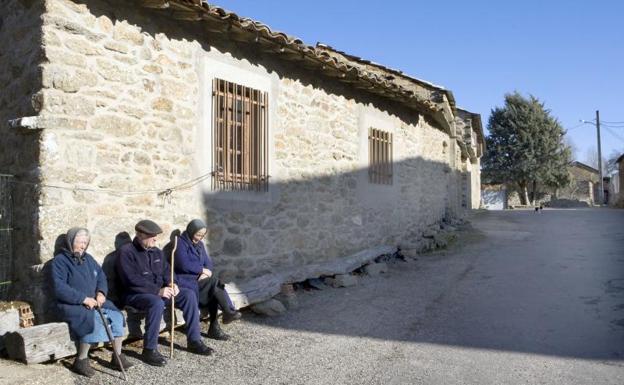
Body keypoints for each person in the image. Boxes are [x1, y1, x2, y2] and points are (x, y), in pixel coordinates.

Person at [115, 219, 212, 366]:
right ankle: (149, 349)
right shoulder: (126, 252)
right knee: (156, 302)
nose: (155, 239)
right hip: (135, 294)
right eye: (151, 236)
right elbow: (131, 280)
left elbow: (167, 271)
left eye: (156, 236)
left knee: (188, 294)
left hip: (160, 291)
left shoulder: (156, 252)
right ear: (140, 235)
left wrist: (172, 282)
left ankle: (194, 340)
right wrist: (157, 291)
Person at [50, 227, 132, 377]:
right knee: (91, 319)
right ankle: (81, 360)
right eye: (79, 242)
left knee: (117, 316)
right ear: (70, 241)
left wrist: (101, 293)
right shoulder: (60, 261)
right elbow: (59, 288)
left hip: (95, 301)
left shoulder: (89, 259)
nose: (83, 245)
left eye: (85, 242)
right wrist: (83, 299)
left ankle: (117, 355)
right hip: (72, 304)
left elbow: (101, 276)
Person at [171, 219, 242, 340]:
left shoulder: (200, 245)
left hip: (200, 282)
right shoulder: (180, 244)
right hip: (186, 283)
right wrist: (201, 270)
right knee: (213, 284)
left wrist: (207, 272)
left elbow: (208, 263)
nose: (199, 237)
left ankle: (220, 322)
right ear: (190, 231)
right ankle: (227, 313)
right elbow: (183, 264)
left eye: (202, 235)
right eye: (198, 234)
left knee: (213, 286)